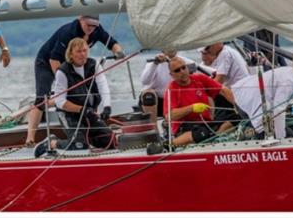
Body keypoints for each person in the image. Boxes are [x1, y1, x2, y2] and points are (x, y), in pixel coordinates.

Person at [26, 14, 123, 145]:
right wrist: (63, 82)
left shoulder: (96, 29)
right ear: (80, 20)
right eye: (88, 25)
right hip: (47, 62)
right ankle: (30, 138)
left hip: (73, 64)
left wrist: (118, 52)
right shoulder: (68, 32)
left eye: (94, 26)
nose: (91, 28)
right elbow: (53, 59)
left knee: (87, 91)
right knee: (41, 100)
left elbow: (112, 43)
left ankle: (91, 131)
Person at [51, 38, 113, 150]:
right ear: (71, 54)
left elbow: (103, 86)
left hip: (89, 113)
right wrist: (82, 109)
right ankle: (52, 143)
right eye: (79, 51)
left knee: (110, 140)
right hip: (69, 115)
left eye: (85, 51)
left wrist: (107, 107)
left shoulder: (94, 65)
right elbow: (59, 102)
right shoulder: (62, 71)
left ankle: (86, 139)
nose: (82, 54)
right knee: (79, 146)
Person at [165, 56, 240, 147]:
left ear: (187, 68)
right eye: (177, 70)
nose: (182, 71)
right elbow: (169, 116)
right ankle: (170, 144)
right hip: (185, 127)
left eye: (183, 67)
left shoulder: (199, 78)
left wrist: (239, 106)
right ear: (171, 75)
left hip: (206, 123)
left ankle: (215, 137)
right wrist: (192, 108)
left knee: (237, 117)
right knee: (201, 133)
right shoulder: (172, 89)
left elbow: (223, 90)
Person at [232, 59, 293, 139]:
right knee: (282, 136)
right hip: (251, 101)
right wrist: (281, 137)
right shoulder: (289, 82)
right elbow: (279, 109)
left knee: (268, 130)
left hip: (241, 93)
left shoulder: (289, 71)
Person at [139, 49, 195, 123]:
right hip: (157, 102)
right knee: (149, 94)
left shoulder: (188, 62)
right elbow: (145, 81)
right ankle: (154, 130)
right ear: (162, 49)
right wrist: (155, 63)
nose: (171, 47)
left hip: (175, 99)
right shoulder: (152, 63)